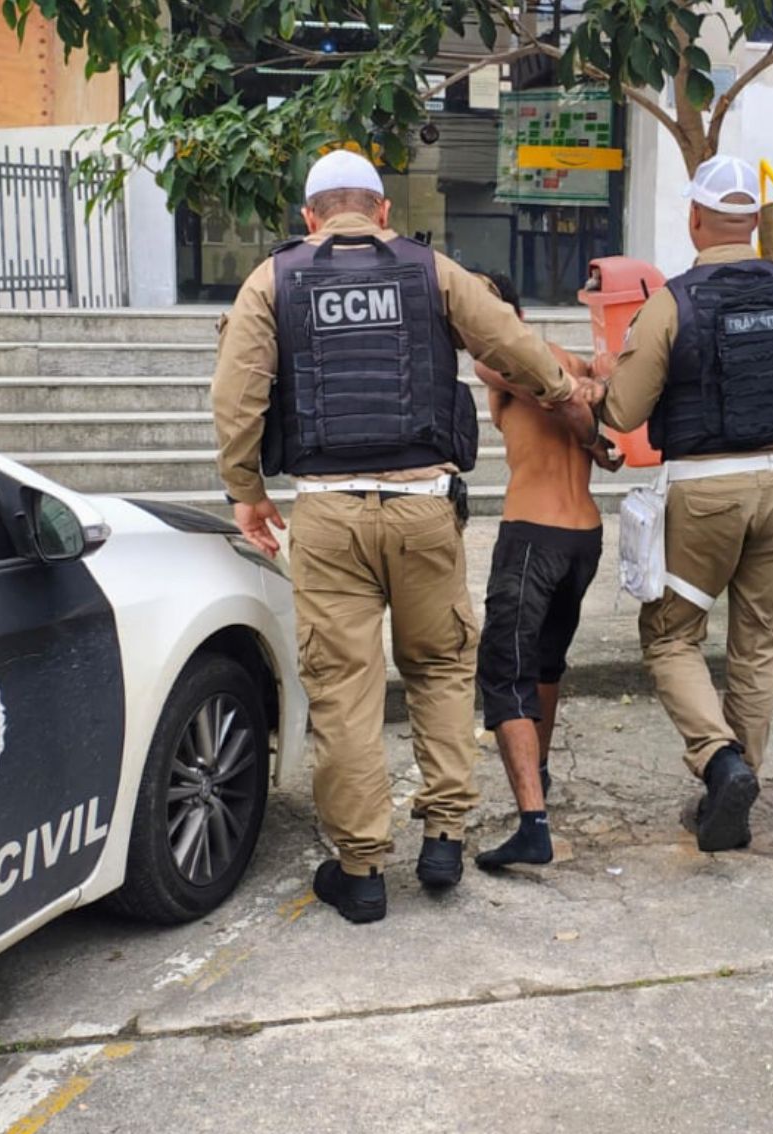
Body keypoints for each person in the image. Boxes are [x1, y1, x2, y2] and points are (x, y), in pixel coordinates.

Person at [211, 148, 598, 923]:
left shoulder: (273, 280)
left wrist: (246, 493)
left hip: (328, 515)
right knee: (441, 668)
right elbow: (510, 343)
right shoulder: (432, 270)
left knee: (345, 689)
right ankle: (444, 837)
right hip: (424, 507)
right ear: (382, 211)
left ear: (310, 218)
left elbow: (236, 395)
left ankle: (361, 872)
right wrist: (567, 392)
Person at [591, 155, 773, 853]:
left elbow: (622, 411)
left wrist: (605, 372)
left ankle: (720, 761)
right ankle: (737, 788)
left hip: (704, 493)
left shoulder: (671, 303)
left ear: (694, 219)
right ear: (756, 222)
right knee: (760, 640)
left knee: (672, 635)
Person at [470, 273, 621, 870]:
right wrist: (594, 397)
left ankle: (533, 825)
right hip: (584, 538)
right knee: (546, 664)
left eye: (483, 304)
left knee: (504, 671)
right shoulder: (566, 360)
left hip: (534, 536)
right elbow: (586, 387)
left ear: (513, 314)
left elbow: (548, 387)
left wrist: (587, 404)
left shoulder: (499, 359)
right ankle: (542, 770)